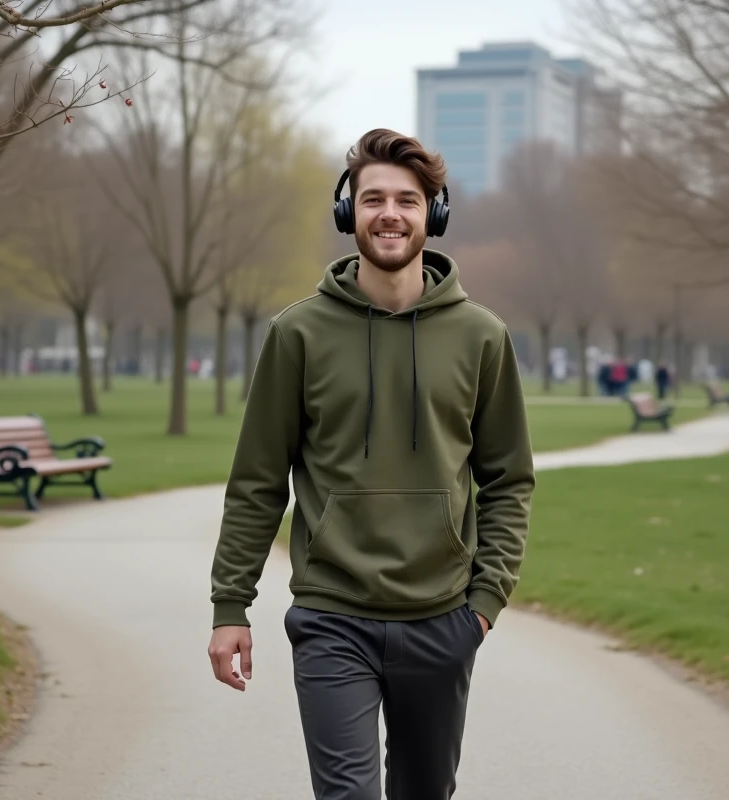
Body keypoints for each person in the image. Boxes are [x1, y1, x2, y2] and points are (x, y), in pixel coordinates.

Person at [207, 128, 536, 800]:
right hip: (333, 617)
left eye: (408, 201)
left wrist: (483, 602)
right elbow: (257, 483)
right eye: (373, 199)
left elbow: (509, 479)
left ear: (433, 214)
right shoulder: (297, 334)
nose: (390, 213)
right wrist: (229, 607)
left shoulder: (482, 337)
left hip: (443, 618)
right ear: (348, 213)